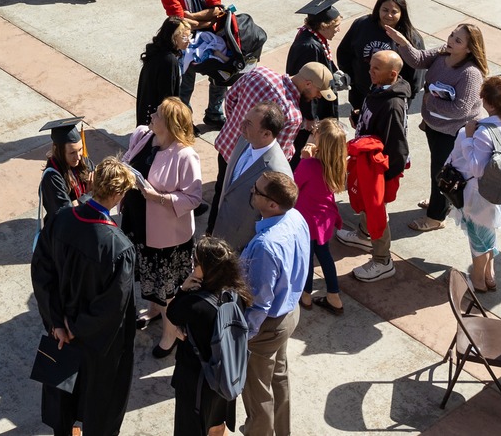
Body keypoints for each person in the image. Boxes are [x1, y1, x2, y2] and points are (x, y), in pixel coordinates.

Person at [32, 157, 137, 436]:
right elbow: (113, 309)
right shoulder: (119, 247)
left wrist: (57, 323)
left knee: (62, 410)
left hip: (60, 336)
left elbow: (41, 272)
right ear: (117, 195)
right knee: (98, 411)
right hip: (96, 346)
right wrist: (75, 328)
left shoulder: (61, 219)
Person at [386, 20, 486, 234]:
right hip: (436, 127)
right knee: (439, 169)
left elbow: (461, 109)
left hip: (452, 132)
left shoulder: (470, 74)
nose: (450, 40)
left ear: (469, 48)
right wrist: (403, 42)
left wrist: (429, 101)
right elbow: (418, 59)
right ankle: (439, 202)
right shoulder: (442, 54)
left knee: (442, 173)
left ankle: (436, 217)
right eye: (451, 35)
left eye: (457, 40)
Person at [125, 97, 205, 345]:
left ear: (170, 124)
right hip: (139, 226)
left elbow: (193, 198)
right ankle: (154, 309)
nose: (152, 115)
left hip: (167, 239)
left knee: (168, 289)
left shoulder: (186, 156)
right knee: (152, 282)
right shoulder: (145, 137)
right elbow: (128, 159)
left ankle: (170, 333)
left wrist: (158, 198)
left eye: (158, 114)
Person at [237, 171, 308, 436]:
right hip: (289, 313)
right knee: (278, 377)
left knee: (257, 395)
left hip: (266, 326)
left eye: (257, 191)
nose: (252, 192)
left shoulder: (265, 246)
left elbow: (259, 303)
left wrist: (243, 337)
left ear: (272, 205)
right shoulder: (296, 218)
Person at [447, 76, 501, 295]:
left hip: (480, 195)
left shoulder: (482, 131)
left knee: (478, 238)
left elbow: (476, 169)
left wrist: (468, 138)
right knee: (488, 233)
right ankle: (490, 275)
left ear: (489, 104)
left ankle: (479, 281)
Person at [347, 50, 411, 282]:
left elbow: (397, 147)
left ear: (392, 74)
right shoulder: (380, 87)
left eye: (375, 69)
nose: (369, 71)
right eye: (371, 66)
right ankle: (364, 234)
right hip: (368, 163)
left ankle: (383, 260)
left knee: (377, 211)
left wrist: (382, 180)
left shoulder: (393, 105)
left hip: (380, 169)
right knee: (365, 201)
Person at [209, 102, 293, 254]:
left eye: (248, 123)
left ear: (266, 134)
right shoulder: (244, 140)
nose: (241, 125)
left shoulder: (277, 172)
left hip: (242, 250)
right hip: (220, 235)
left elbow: (273, 223)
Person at [295, 117, 348, 313]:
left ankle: (306, 295)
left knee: (306, 257)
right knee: (324, 255)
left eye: (315, 133)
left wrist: (303, 159)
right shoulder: (338, 164)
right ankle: (334, 296)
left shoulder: (309, 165)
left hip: (306, 219)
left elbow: (293, 187)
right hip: (324, 219)